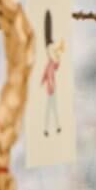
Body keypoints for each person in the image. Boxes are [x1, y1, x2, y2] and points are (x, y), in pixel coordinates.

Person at [41, 9, 66, 137]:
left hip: (52, 90)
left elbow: (56, 66)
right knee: (51, 109)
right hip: (50, 90)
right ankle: (51, 127)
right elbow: (45, 76)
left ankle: (55, 126)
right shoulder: (48, 65)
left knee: (53, 109)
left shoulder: (53, 63)